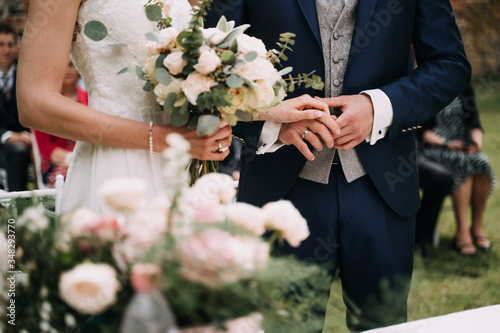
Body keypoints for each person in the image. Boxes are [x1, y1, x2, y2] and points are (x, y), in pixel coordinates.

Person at [206, 0, 471, 331]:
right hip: (279, 188)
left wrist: (379, 107)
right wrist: (273, 122)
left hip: (383, 187)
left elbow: (450, 63)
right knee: (280, 324)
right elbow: (209, 68)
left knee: (384, 324)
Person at [16, 0, 331, 213]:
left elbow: (191, 76)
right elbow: (34, 103)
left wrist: (269, 110)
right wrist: (166, 139)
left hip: (185, 170)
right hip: (115, 167)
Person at [419, 84, 494, 256]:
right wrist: (446, 144)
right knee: (463, 163)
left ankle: (477, 228)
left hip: (459, 145)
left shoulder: (464, 86)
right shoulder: (425, 86)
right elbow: (422, 131)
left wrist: (476, 141)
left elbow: (474, 122)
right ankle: (462, 231)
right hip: (433, 146)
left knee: (482, 162)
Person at [33, 59, 87, 188]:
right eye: (62, 66)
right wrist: (72, 159)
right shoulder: (45, 103)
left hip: (86, 157)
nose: (67, 70)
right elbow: (45, 146)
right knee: (77, 176)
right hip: (57, 162)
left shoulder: (89, 98)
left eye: (71, 65)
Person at [0, 23, 31, 191]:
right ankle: (19, 209)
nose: (6, 49)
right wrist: (8, 136)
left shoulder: (26, 77)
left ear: (17, 47)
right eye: (1, 44)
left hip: (28, 141)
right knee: (17, 153)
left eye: (10, 44)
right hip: (3, 144)